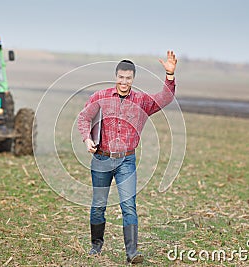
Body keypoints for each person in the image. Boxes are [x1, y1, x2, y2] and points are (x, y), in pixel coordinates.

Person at [77, 51, 177, 264]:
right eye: (121, 77)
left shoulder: (141, 100)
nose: (124, 81)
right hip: (101, 159)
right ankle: (96, 246)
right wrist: (87, 139)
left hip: (126, 161)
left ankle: (132, 253)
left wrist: (169, 75)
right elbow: (84, 118)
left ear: (133, 79)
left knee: (129, 206)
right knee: (98, 205)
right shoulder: (100, 97)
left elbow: (165, 98)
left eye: (128, 78)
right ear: (116, 77)